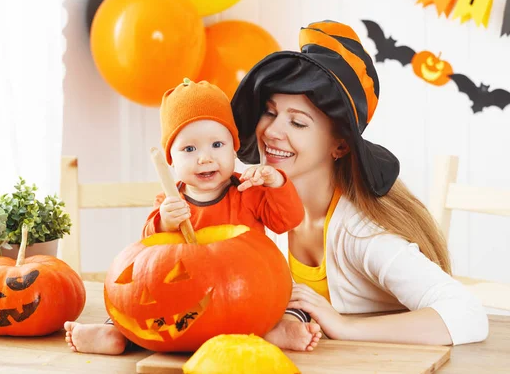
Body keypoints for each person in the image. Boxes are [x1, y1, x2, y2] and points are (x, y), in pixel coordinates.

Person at [230, 20, 489, 349]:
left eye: (297, 121)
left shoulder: (360, 232)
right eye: (270, 112)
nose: (272, 131)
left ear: (340, 146)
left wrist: (343, 327)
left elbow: (466, 315)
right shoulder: (262, 210)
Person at [64, 78, 321, 355]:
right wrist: (163, 221)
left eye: (217, 145)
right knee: (135, 308)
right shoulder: (169, 200)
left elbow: (289, 220)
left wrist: (276, 184)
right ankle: (114, 333)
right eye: (189, 149)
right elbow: (147, 254)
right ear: (171, 159)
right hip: (184, 300)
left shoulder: (248, 190)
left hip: (246, 296)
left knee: (295, 303)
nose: (204, 158)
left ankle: (281, 329)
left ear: (234, 147)